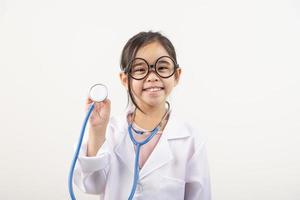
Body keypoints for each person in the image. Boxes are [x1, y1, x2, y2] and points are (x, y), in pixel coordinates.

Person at [74, 31, 211, 200]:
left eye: (162, 68)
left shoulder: (190, 139)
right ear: (125, 79)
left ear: (176, 75)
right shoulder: (110, 131)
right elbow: (91, 185)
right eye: (140, 69)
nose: (152, 77)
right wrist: (97, 130)